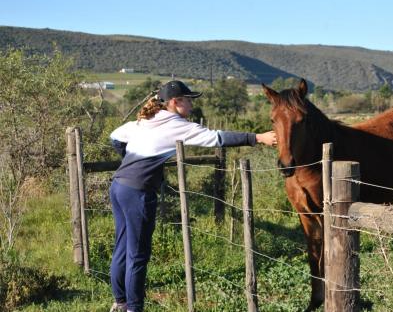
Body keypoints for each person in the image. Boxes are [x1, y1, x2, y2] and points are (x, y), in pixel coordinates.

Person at [108, 80, 276, 312]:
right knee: (138, 254)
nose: (191, 105)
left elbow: (115, 136)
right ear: (176, 102)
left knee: (122, 246)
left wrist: (130, 161)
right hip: (138, 191)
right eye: (188, 100)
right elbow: (217, 138)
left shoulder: (145, 120)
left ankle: (120, 302)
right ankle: (133, 309)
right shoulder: (178, 125)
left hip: (118, 186)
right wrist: (257, 138)